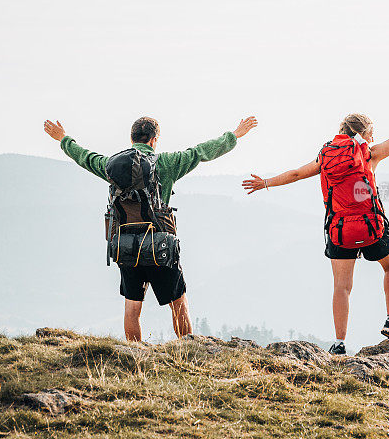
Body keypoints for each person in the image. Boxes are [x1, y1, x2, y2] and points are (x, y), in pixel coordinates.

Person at [243, 88, 389, 354]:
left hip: (340, 230)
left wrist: (265, 183)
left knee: (342, 287)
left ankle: (338, 344)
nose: (374, 137)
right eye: (372, 132)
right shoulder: (369, 154)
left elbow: (296, 174)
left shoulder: (326, 156)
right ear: (365, 134)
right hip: (372, 227)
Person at [44, 115, 257, 342]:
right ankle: (187, 351)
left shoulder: (111, 166)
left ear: (131, 138)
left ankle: (134, 355)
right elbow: (200, 152)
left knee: (132, 306)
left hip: (125, 245)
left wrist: (63, 138)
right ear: (154, 140)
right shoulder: (166, 163)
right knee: (178, 304)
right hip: (160, 245)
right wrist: (234, 135)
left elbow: (85, 157)